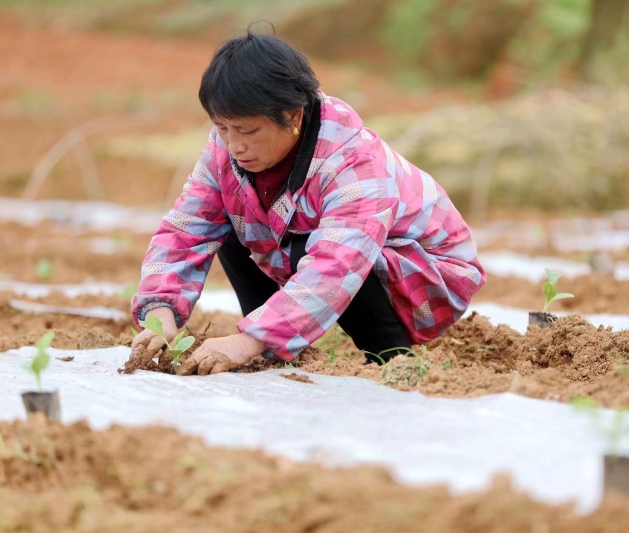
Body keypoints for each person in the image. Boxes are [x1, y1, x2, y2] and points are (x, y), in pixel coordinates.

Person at [131, 31, 486, 376]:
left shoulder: (355, 162)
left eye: (248, 131)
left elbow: (338, 262)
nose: (234, 145)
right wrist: (160, 311)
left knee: (315, 249)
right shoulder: (225, 153)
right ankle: (270, 347)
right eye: (223, 128)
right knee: (232, 218)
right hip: (332, 255)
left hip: (426, 277)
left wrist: (247, 341)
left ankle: (391, 357)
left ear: (293, 116)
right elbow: (186, 228)